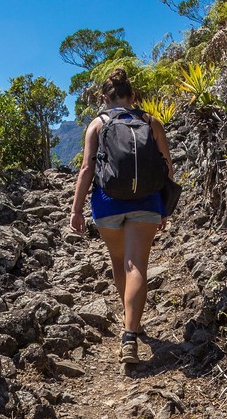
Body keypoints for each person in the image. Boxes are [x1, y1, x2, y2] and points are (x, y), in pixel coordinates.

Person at [69, 67, 174, 364]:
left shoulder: (98, 124)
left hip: (107, 202)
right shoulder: (151, 122)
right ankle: (131, 332)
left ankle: (132, 323)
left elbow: (87, 169)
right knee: (137, 264)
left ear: (104, 98)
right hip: (147, 202)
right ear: (133, 96)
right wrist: (163, 206)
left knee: (119, 262)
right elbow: (167, 166)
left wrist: (76, 210)